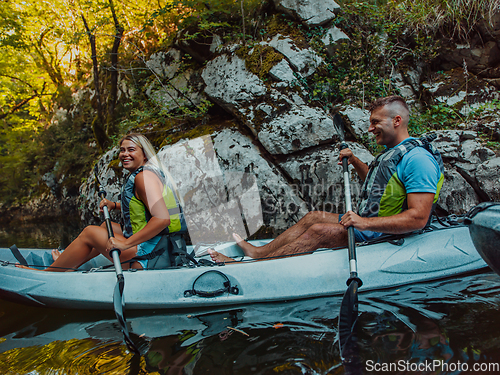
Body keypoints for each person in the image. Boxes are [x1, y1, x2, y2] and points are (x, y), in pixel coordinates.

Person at [208, 95, 444, 263]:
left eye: (375, 122)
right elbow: (377, 185)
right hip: (373, 222)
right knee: (313, 217)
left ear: (397, 121)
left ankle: (251, 269)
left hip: (384, 232)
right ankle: (258, 253)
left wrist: (364, 223)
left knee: (319, 230)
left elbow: (418, 218)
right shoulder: (393, 153)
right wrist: (354, 161)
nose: (370, 129)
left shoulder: (418, 160)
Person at [21, 133, 186, 271]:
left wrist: (125, 244)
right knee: (108, 227)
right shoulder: (149, 173)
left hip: (152, 256)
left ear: (144, 154)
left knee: (90, 232)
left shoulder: (143, 177)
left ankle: (49, 273)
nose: (124, 154)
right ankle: (67, 261)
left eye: (131, 150)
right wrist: (114, 205)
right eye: (122, 150)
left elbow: (162, 218)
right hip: (164, 246)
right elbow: (146, 206)